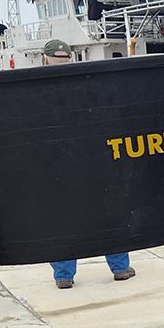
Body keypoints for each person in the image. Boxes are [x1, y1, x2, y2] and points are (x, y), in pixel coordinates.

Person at [40, 41, 137, 290]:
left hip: (56, 165)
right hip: (92, 160)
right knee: (108, 212)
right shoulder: (84, 84)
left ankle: (63, 275)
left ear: (44, 59)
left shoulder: (37, 89)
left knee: (62, 219)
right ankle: (120, 267)